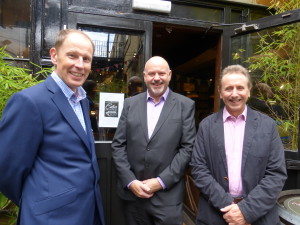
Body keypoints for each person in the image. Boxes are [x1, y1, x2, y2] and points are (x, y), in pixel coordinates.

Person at [0, 29, 105, 225]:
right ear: (54, 56)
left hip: (88, 211)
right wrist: (37, 203)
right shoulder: (29, 102)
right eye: (72, 55)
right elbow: (7, 170)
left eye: (86, 58)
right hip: (50, 218)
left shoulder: (82, 101)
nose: (79, 65)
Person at [190, 64, 287, 225]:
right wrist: (228, 205)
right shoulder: (207, 126)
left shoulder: (268, 126)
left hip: (258, 215)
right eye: (228, 89)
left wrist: (246, 211)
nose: (234, 94)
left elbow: (276, 174)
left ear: (249, 91)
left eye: (240, 88)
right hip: (216, 213)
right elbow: (199, 168)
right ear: (220, 93)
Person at [111, 56, 196, 225]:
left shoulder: (185, 105)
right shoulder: (129, 104)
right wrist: (130, 181)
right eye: (151, 74)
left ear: (170, 75)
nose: (156, 78)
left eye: (161, 73)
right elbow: (118, 145)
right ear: (144, 76)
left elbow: (188, 148)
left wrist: (160, 182)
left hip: (168, 198)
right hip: (133, 197)